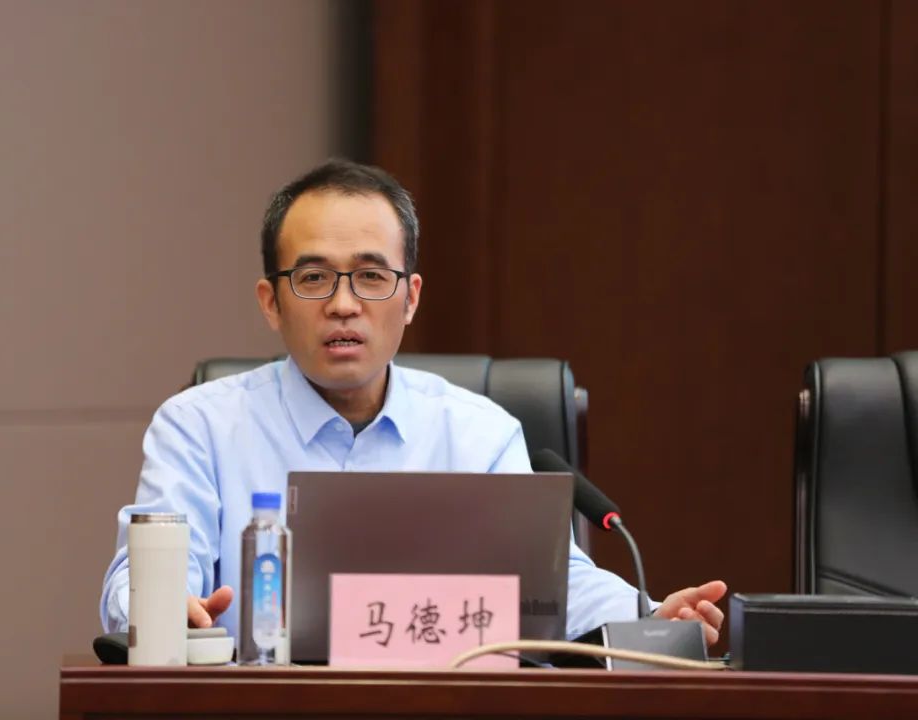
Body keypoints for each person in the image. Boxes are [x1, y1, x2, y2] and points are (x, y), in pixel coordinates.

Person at [101, 159, 727, 645]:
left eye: (371, 277)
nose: (343, 305)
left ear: (411, 298)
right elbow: (140, 576)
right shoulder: (199, 426)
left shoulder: (480, 435)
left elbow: (554, 587)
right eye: (314, 278)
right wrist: (159, 608)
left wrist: (651, 616)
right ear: (271, 302)